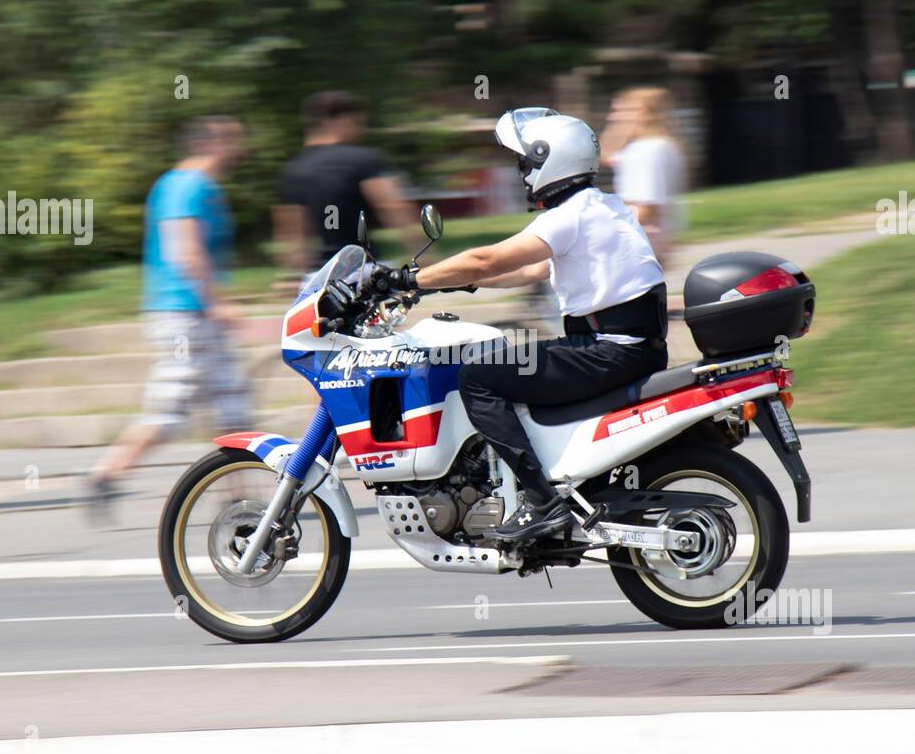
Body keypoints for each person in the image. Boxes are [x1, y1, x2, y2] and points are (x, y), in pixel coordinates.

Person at [382, 107, 668, 543]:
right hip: (627, 346)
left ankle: (542, 503)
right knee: (505, 360)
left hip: (607, 350)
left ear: (548, 160)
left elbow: (487, 258)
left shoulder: (567, 216)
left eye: (525, 162)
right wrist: (455, 283)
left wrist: (409, 278)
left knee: (477, 376)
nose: (521, 172)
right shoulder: (602, 206)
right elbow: (527, 270)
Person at [85, 116, 251, 521]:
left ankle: (237, 500)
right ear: (209, 144)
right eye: (233, 141)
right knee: (171, 411)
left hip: (196, 314)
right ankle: (104, 475)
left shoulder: (202, 187)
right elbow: (185, 252)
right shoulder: (185, 186)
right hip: (183, 316)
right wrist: (217, 303)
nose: (241, 149)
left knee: (232, 405)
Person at [274, 91, 418, 279]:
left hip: (321, 276)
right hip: (364, 272)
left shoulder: (295, 168)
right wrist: (421, 251)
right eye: (357, 123)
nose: (361, 130)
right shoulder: (363, 159)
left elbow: (292, 230)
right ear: (338, 121)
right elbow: (391, 206)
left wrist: (292, 275)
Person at [601, 86, 687, 269]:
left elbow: (648, 207)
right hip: (643, 243)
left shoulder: (648, 149)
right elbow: (604, 155)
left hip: (640, 245)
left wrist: (605, 232)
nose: (612, 117)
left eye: (620, 111)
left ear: (644, 113)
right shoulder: (649, 147)